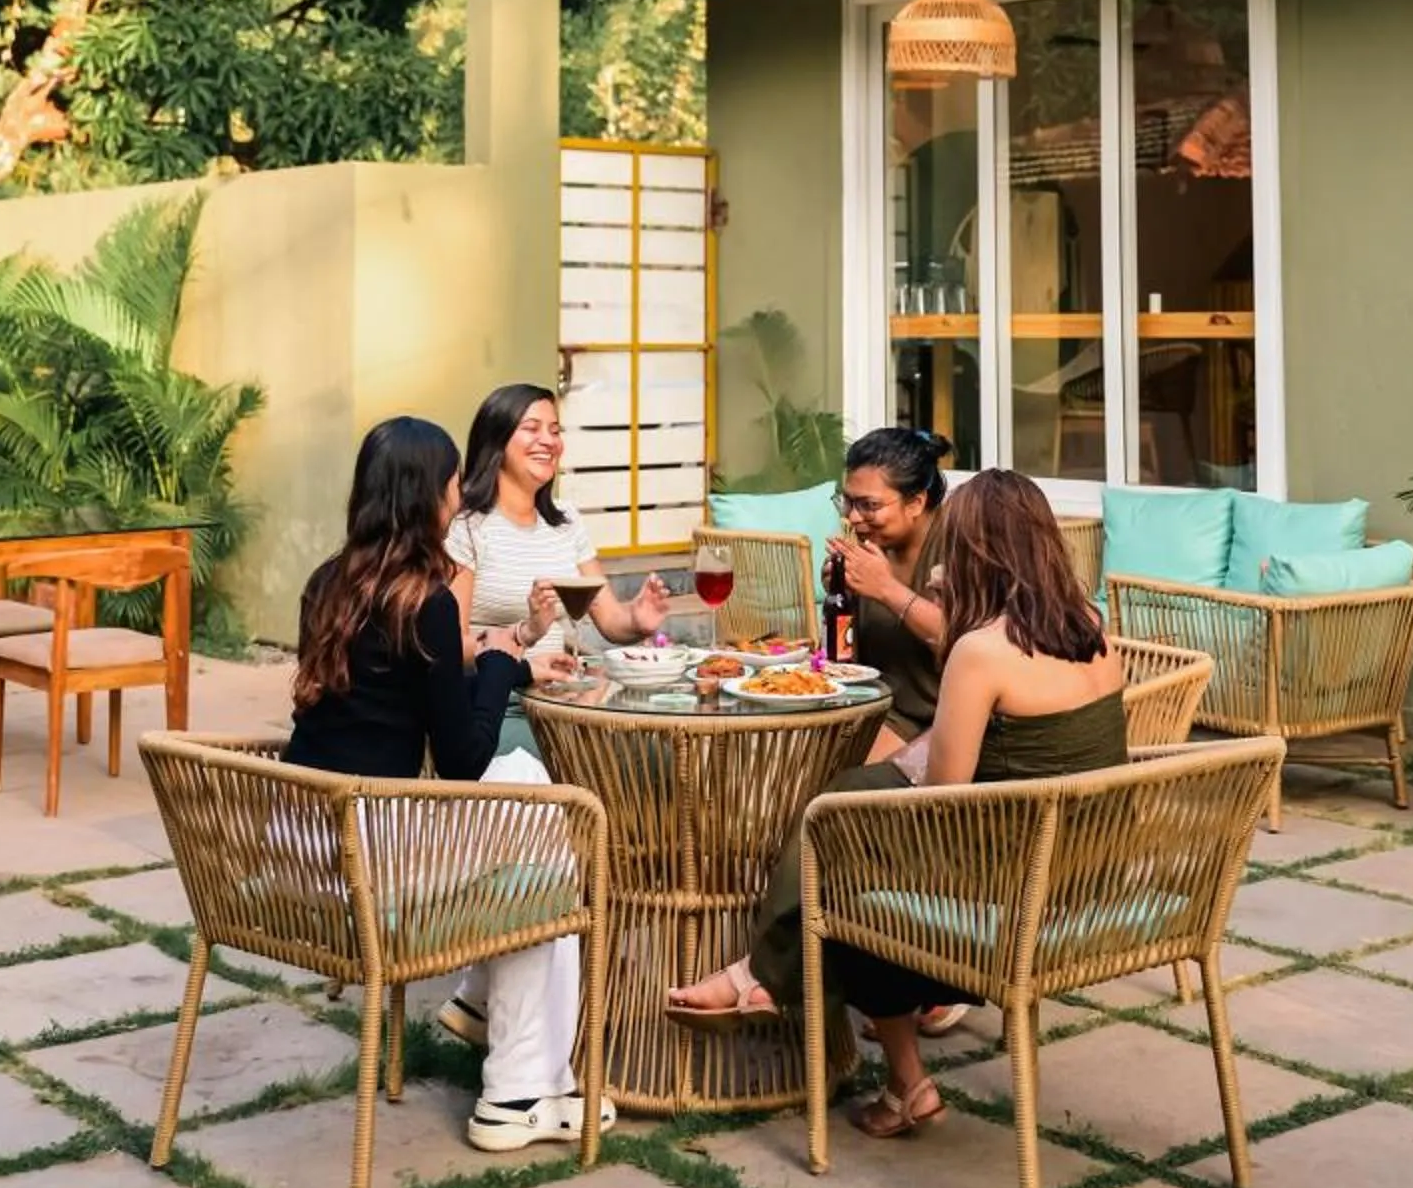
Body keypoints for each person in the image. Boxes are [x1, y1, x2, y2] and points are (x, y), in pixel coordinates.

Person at [285, 414, 608, 1157]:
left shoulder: (328, 584)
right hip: (372, 856)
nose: (461, 495)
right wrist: (497, 664)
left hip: (302, 840)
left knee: (528, 787)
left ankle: (499, 1034)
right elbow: (462, 760)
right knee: (548, 848)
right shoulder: (425, 600)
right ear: (427, 496)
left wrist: (511, 656)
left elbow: (394, 696)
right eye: (454, 483)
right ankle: (520, 1086)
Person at [822, 468, 1126, 1139]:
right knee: (851, 826)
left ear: (973, 554)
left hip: (1011, 890)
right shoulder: (1094, 629)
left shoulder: (982, 652)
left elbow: (942, 807)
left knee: (838, 861)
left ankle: (905, 1080)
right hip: (1093, 877)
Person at [664, 426, 952, 1026]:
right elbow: (853, 655)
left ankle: (779, 974)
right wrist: (839, 601)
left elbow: (972, 642)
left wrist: (889, 592)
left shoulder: (954, 547)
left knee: (826, 808)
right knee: (772, 793)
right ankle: (804, 965)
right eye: (847, 502)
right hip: (865, 704)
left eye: (868, 504)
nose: (854, 516)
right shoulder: (864, 550)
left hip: (933, 722)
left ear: (919, 501)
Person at [449, 383, 670, 666]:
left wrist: (636, 619)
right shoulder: (466, 526)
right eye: (532, 428)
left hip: (557, 698)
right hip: (498, 703)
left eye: (555, 431)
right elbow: (450, 647)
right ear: (496, 441)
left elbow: (611, 619)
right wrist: (523, 636)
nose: (549, 441)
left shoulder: (566, 520)